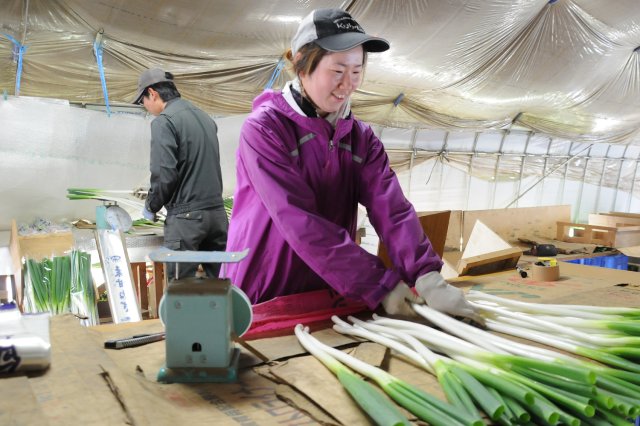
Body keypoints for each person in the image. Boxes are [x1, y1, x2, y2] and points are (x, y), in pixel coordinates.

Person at [225, 8, 479, 321]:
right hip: (265, 290)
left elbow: (392, 210)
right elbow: (299, 219)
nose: (348, 84)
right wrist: (380, 284)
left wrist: (426, 276)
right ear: (302, 64)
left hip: (328, 291)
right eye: (337, 70)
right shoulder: (265, 129)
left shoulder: (360, 139)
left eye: (356, 71)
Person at [133, 68, 228, 280]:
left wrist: (151, 206)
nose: (145, 106)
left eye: (142, 101)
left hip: (186, 220)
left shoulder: (164, 121)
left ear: (152, 93)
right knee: (221, 286)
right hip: (217, 216)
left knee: (181, 290)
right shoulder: (204, 117)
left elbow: (164, 174)